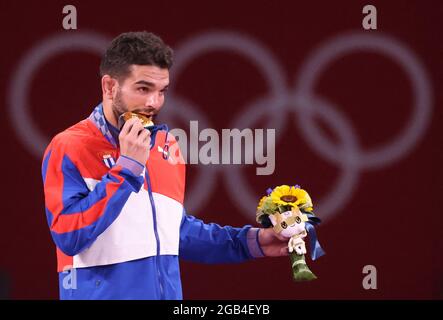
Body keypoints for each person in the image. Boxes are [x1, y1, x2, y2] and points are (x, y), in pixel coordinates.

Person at [41, 31, 289, 300]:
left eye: (162, 91)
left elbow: (175, 232)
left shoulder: (165, 146)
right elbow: (68, 236)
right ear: (110, 87)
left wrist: (251, 242)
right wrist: (126, 169)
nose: (154, 103)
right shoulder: (69, 146)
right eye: (143, 89)